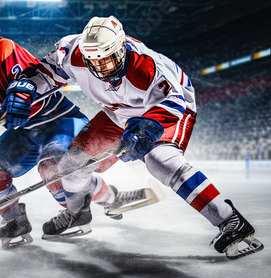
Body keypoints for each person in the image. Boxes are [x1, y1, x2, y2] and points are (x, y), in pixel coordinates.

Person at [28, 16, 263, 259]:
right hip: (118, 111)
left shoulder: (145, 66)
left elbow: (173, 103)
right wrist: (24, 90)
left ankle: (230, 220)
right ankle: (78, 213)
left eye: (107, 60)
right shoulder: (74, 51)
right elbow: (47, 71)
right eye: (93, 62)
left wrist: (146, 129)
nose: (101, 69)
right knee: (71, 165)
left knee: (160, 160)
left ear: (121, 49)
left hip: (167, 108)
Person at [0, 11, 93, 248]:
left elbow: (25, 81)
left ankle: (78, 211)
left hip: (58, 119)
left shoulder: (5, 50)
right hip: (26, 129)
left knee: (52, 169)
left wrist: (18, 96)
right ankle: (16, 221)